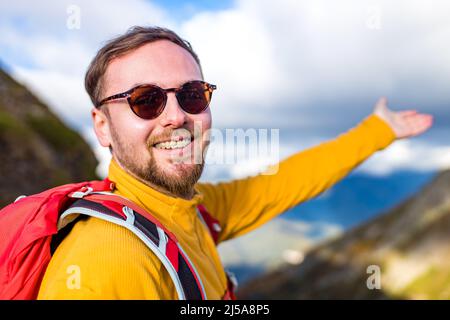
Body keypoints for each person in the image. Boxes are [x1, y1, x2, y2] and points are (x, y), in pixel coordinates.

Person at [37, 26, 433, 299]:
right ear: (103, 127)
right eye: (146, 99)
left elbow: (281, 184)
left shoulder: (190, 211)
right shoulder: (104, 264)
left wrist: (376, 132)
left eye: (191, 94)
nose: (176, 117)